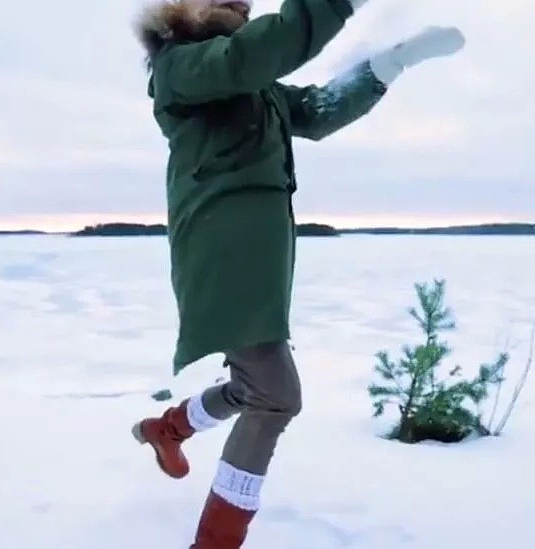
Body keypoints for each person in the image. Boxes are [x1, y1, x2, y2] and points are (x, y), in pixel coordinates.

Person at [130, 0, 464, 546]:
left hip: (259, 259)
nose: (241, 0)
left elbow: (316, 110)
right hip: (222, 254)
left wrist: (391, 63)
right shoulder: (181, 67)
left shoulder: (253, 85)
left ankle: (166, 430)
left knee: (250, 386)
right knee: (276, 395)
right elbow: (249, 56)